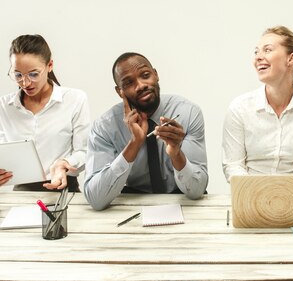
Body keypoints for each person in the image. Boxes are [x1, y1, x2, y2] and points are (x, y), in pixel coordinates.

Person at [84, 52, 208, 210]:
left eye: (145, 75)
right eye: (128, 83)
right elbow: (96, 199)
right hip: (133, 203)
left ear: (156, 75)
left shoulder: (188, 112)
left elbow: (197, 191)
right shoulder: (105, 126)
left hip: (182, 201)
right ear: (119, 91)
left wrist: (176, 154)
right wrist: (134, 144)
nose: (141, 85)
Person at [222, 26, 293, 182]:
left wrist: (286, 196)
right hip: (249, 196)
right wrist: (259, 194)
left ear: (291, 58)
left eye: (267, 50)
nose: (258, 57)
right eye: (256, 51)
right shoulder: (239, 108)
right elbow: (233, 166)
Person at [0, 34, 90, 192]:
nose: (25, 83)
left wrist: (64, 164)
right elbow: (5, 156)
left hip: (64, 189)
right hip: (22, 192)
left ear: (50, 66)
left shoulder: (75, 99)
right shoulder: (2, 107)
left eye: (34, 74)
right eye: (18, 75)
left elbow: (83, 152)